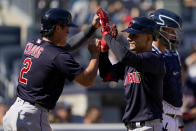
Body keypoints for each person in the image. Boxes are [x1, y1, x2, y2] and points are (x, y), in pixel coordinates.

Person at [3, 8, 101, 131]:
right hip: (32, 116)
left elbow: (66, 47)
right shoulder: (57, 56)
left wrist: (92, 28)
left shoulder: (33, 42)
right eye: (66, 27)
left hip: (14, 112)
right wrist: (95, 54)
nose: (68, 31)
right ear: (58, 28)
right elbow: (87, 80)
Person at [99, 16, 165, 131]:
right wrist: (104, 51)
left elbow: (125, 56)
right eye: (129, 34)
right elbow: (106, 75)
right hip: (132, 126)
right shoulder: (130, 63)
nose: (129, 38)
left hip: (148, 125)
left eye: (134, 35)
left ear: (149, 38)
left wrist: (108, 37)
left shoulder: (154, 59)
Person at [149, 9, 184, 131]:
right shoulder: (149, 55)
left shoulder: (174, 55)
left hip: (174, 118)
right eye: (170, 31)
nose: (174, 35)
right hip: (157, 118)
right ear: (159, 30)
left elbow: (177, 90)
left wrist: (179, 123)